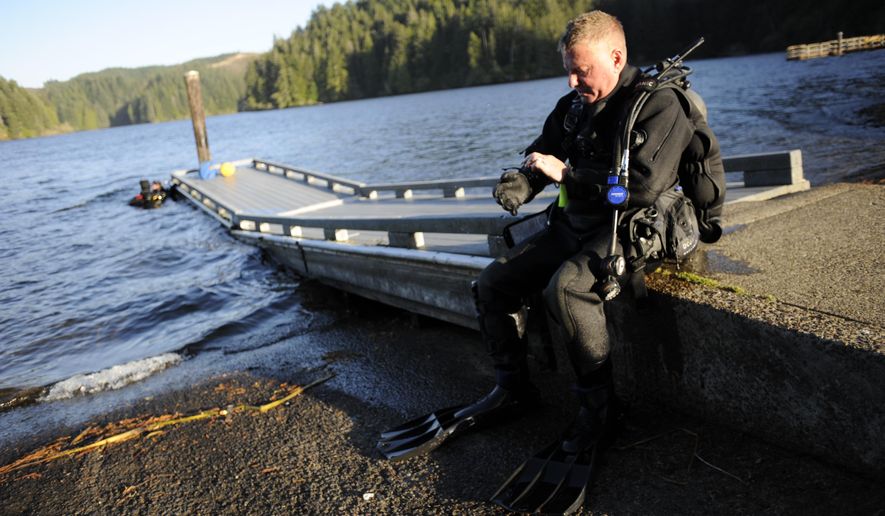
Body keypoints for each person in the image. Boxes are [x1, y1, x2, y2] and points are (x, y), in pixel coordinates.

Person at [379, 10, 703, 513]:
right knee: (494, 284)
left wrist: (566, 175)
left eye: (582, 71)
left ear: (615, 57)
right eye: (568, 71)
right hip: (575, 226)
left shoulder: (660, 106)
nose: (573, 81)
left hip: (632, 227)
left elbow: (640, 188)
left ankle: (601, 411)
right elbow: (543, 154)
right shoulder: (573, 106)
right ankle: (513, 390)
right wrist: (522, 181)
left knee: (567, 290)